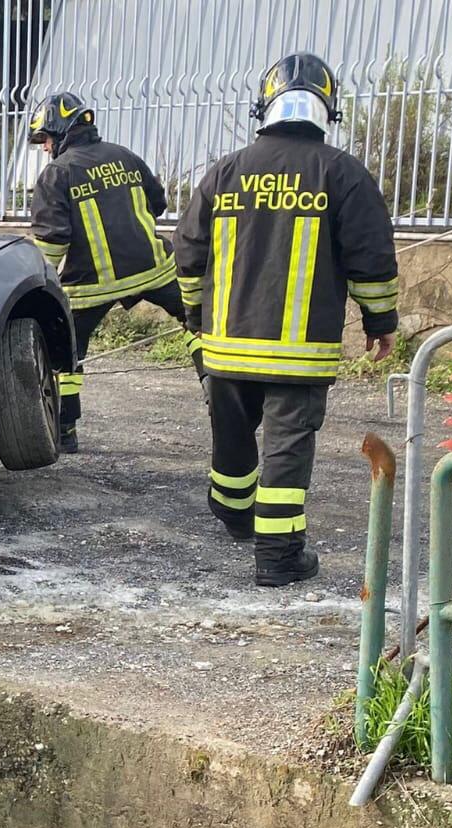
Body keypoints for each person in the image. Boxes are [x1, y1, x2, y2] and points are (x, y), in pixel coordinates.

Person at [175, 52, 398, 587]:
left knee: (232, 434)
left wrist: (193, 313)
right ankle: (278, 556)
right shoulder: (342, 173)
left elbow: (188, 251)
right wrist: (379, 321)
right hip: (300, 352)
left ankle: (232, 514)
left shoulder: (225, 170)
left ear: (265, 107)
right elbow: (370, 257)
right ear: (328, 107)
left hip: (225, 345)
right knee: (286, 447)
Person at [28, 91, 201, 453]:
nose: (44, 148)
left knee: (65, 352)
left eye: (44, 138)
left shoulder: (56, 174)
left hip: (89, 286)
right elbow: (158, 204)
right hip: (153, 269)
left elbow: (53, 243)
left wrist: (37, 284)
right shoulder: (125, 156)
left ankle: (65, 431)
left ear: (59, 132)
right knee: (197, 321)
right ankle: (221, 399)